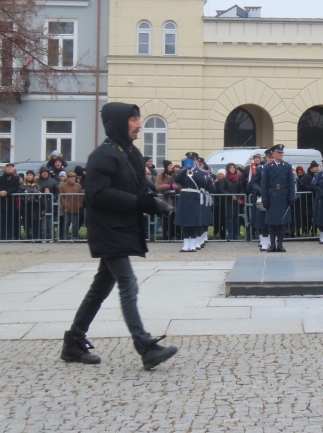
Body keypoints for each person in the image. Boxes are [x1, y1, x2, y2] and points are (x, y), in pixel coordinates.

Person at [61, 102, 176, 369]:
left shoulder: (131, 153)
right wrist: (139, 202)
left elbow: (139, 186)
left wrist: (154, 202)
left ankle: (73, 341)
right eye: (134, 119)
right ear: (118, 123)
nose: (139, 125)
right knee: (128, 283)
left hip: (122, 228)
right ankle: (145, 346)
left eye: (139, 119)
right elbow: (98, 194)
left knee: (100, 288)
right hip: (107, 229)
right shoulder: (102, 155)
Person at [174, 152, 215, 253]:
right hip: (184, 197)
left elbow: (204, 182)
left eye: (192, 160)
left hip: (194, 197)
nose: (191, 161)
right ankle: (185, 244)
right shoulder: (182, 171)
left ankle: (192, 244)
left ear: (196, 161)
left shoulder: (200, 172)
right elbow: (177, 179)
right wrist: (185, 170)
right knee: (184, 222)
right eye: (188, 159)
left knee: (193, 222)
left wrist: (194, 171)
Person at [261, 144, 297, 252]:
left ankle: (280, 244)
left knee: (282, 223)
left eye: (282, 153)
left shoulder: (287, 166)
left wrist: (291, 197)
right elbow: (264, 185)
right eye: (279, 153)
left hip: (283, 196)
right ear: (273, 154)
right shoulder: (268, 167)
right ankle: (272, 244)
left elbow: (291, 184)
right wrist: (265, 199)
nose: (281, 154)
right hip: (272, 196)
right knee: (272, 224)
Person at [247, 152, 270, 250]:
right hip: (261, 196)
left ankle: (272, 241)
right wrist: (260, 189)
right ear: (266, 158)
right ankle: (263, 241)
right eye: (269, 157)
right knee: (261, 219)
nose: (271, 159)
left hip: (273, 196)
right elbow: (253, 182)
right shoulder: (261, 168)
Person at [215, 162, 243, 241]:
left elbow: (241, 189)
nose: (232, 169)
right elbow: (222, 189)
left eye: (233, 167)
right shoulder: (225, 179)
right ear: (228, 169)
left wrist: (239, 197)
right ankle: (230, 235)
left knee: (236, 219)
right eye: (230, 168)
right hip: (228, 202)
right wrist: (231, 195)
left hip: (236, 202)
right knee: (229, 219)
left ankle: (235, 235)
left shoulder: (238, 178)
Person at [0, 163, 21, 240]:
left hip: (11, 202)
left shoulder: (16, 179)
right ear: (5, 169)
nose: (9, 169)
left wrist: (7, 192)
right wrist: (0, 191)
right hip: (1, 202)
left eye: (11, 167)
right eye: (8, 167)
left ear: (13, 169)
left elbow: (15, 188)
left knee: (11, 220)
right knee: (2, 220)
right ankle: (3, 236)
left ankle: (10, 236)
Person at [59, 172, 84, 240]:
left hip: (76, 208)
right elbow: (61, 197)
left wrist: (80, 204)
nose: (73, 179)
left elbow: (81, 196)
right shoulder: (62, 186)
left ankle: (75, 237)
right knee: (66, 223)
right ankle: (65, 237)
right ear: (68, 178)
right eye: (71, 177)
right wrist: (65, 204)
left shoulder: (78, 186)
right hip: (66, 208)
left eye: (74, 177)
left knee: (75, 224)